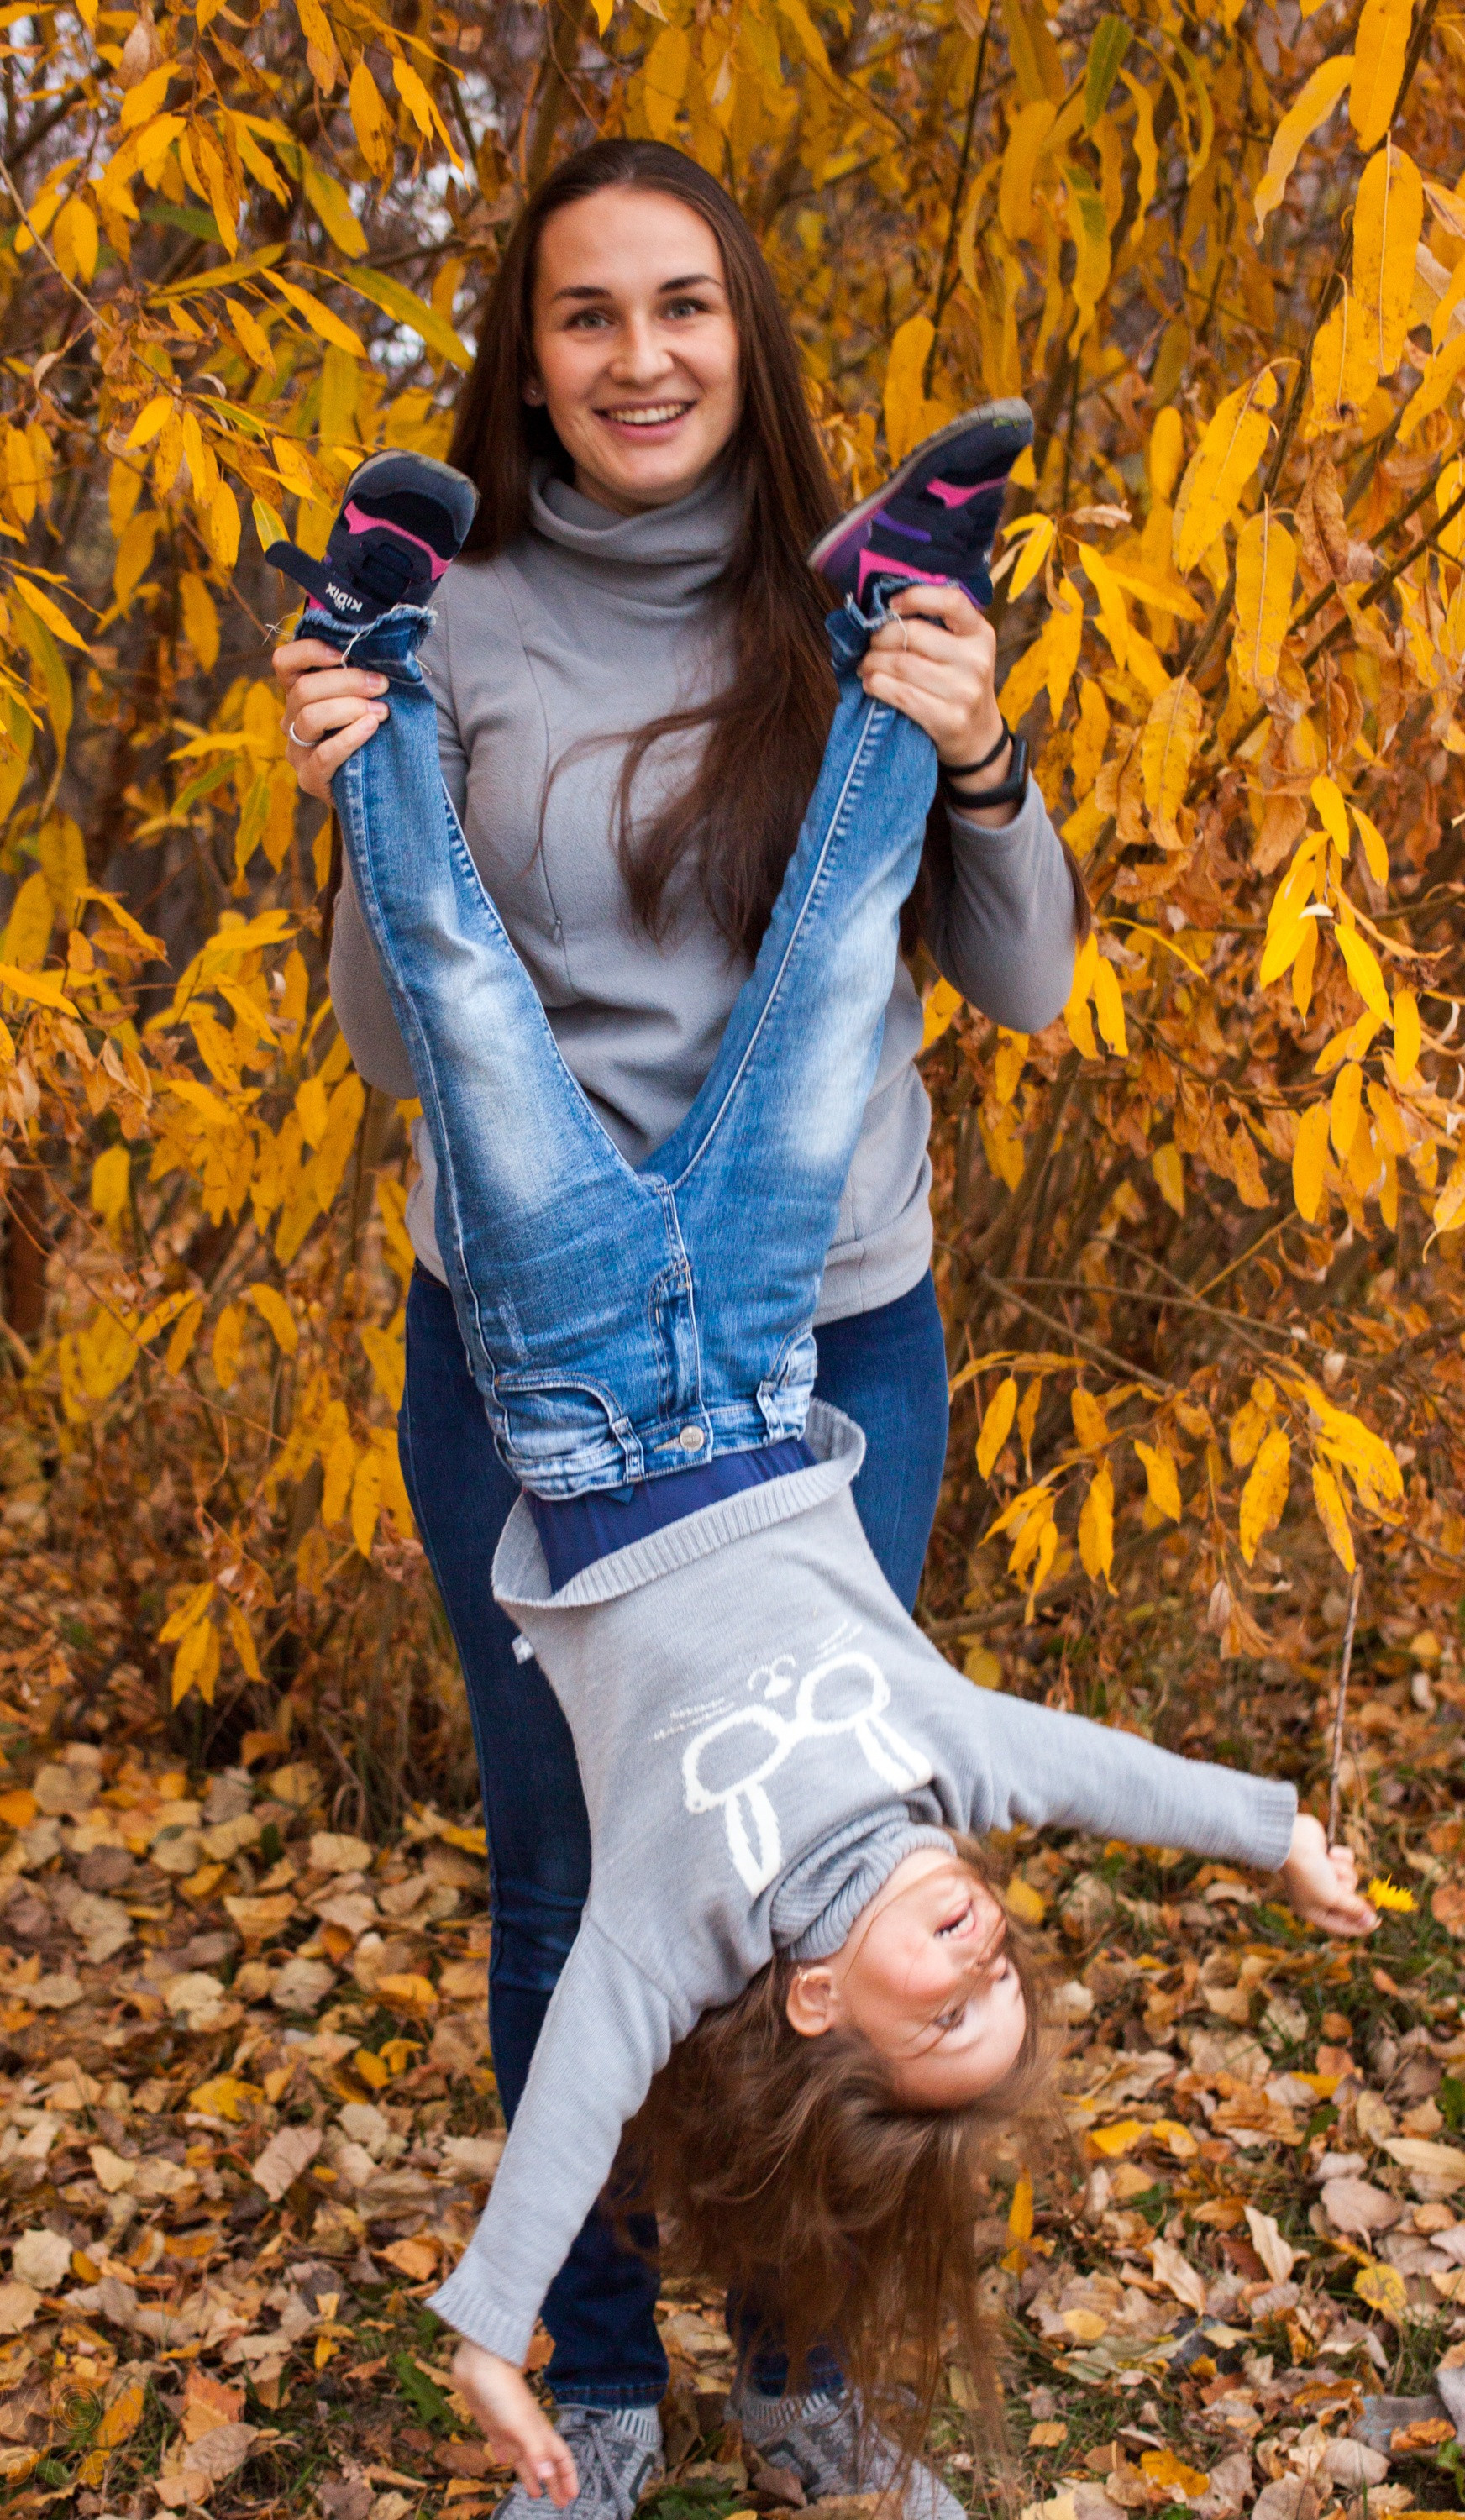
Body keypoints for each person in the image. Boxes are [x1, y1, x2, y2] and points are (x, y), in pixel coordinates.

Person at [266, 438, 1378, 2512]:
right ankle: (893, 599)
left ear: (810, 2005)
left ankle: (379, 642)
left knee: (476, 1008)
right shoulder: (943, 1767)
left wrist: (488, 2327)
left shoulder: (681, 1917)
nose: (982, 1963)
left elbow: (586, 2090)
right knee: (831, 968)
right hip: (769, 1353)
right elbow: (1113, 1775)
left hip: (584, 1382)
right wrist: (1281, 1834)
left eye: (937, 2013)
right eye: (1005, 1983)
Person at [275, 136, 1086, 2515]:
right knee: (570, 1879)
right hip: (533, 1365)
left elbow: (1023, 986)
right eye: (587, 316)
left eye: (684, 308)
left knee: (832, 1855)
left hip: (827, 1340)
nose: (641, 358)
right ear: (525, 364)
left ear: (751, 337)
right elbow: (405, 1053)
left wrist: (980, 750)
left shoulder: (850, 629)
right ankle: (602, 2391)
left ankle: (812, 2396)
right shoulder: (456, 623)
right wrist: (364, 800)